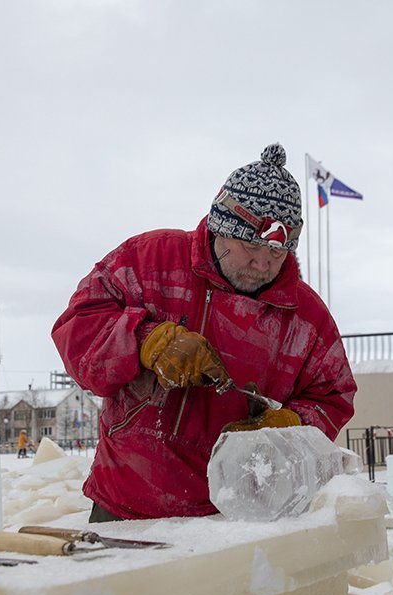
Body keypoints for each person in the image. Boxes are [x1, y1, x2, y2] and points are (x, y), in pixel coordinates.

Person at [51, 143, 357, 521]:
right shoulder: (150, 261)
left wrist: (290, 426)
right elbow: (77, 327)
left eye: (278, 253)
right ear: (220, 227)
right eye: (249, 246)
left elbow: (334, 395)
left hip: (238, 517)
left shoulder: (307, 317)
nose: (262, 263)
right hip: (126, 504)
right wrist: (147, 341)